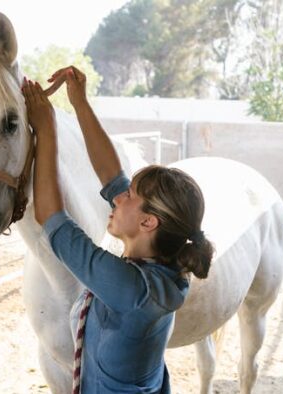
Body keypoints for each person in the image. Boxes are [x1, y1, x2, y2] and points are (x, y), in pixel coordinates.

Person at [22, 66, 215, 394]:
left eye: (130, 195)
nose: (118, 196)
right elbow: (112, 174)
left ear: (148, 222)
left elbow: (52, 217)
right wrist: (80, 103)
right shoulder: (166, 269)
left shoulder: (129, 289)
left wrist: (46, 128)